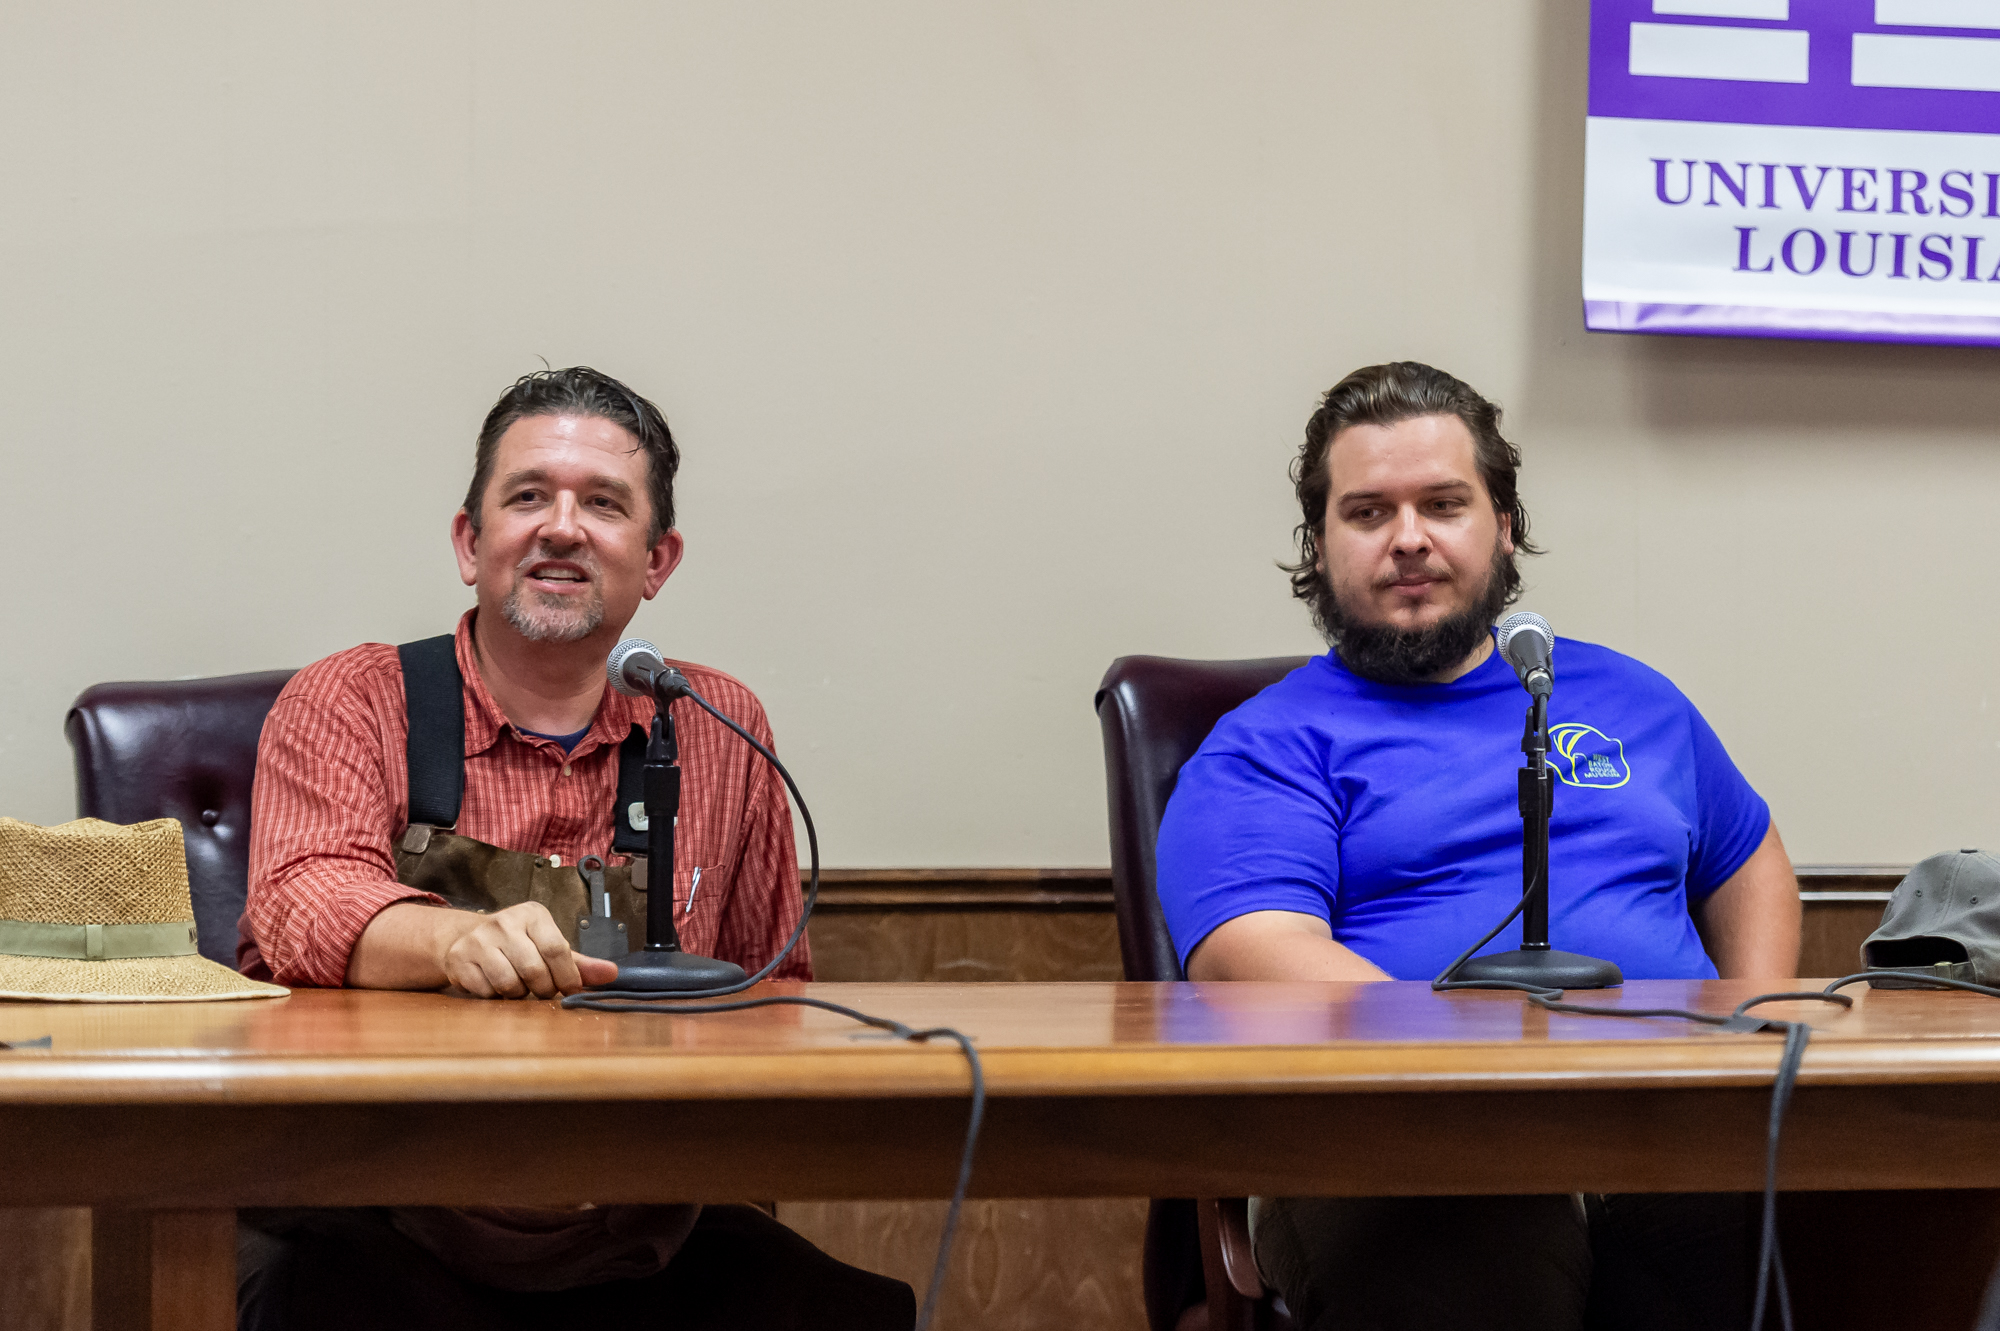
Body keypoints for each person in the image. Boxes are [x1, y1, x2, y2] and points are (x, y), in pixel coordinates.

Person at [237, 366, 914, 1331]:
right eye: (527, 497)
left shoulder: (721, 726)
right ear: (472, 542)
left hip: (645, 1232)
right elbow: (301, 896)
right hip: (386, 1217)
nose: (562, 526)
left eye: (602, 503)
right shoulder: (354, 699)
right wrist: (449, 943)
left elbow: (776, 997)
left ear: (658, 559)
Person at [1154, 361, 1801, 1331]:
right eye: (1366, 511)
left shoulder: (1630, 697)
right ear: (1319, 542)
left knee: (1871, 1209)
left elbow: (1745, 859)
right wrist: (1492, 1089)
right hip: (1397, 1137)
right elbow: (1254, 949)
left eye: (1442, 503)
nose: (1407, 537)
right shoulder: (1265, 741)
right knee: (1474, 1244)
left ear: (1500, 524)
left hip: (1668, 1121)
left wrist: (1743, 1038)